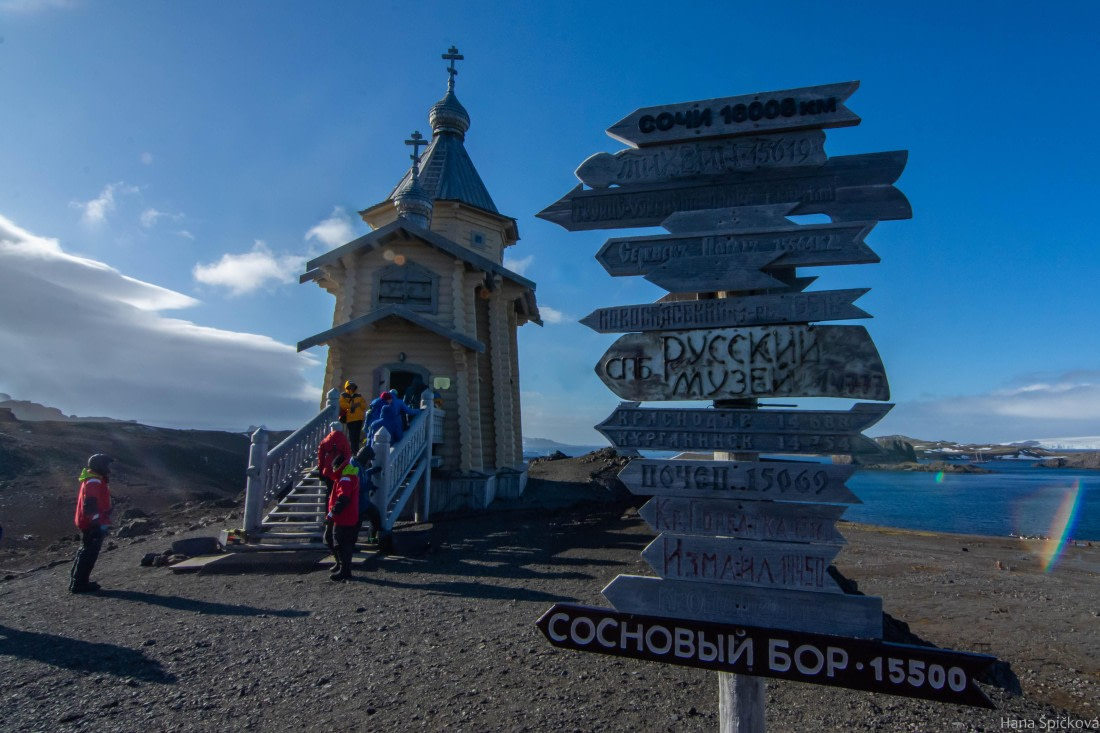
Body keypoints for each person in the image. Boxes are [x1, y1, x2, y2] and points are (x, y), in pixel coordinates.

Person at [70, 454, 113, 593]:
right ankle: (80, 583)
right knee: (89, 552)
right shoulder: (94, 481)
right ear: (99, 465)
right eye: (106, 465)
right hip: (93, 523)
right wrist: (95, 522)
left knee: (85, 550)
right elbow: (90, 503)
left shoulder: (93, 479)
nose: (108, 468)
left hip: (90, 521)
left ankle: (77, 580)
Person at [323, 453, 360, 581]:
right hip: (350, 517)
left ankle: (344, 570)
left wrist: (332, 513)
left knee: (340, 544)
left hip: (343, 517)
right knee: (346, 544)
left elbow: (343, 498)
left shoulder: (344, 479)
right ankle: (344, 569)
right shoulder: (350, 475)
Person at [338, 380, 367, 451]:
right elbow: (342, 404)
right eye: (350, 386)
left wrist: (359, 404)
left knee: (356, 436)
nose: (351, 388)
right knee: (352, 436)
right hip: (350, 419)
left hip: (359, 418)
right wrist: (351, 406)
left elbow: (364, 406)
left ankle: (355, 451)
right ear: (347, 387)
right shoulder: (344, 395)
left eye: (353, 386)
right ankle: (353, 451)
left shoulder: (359, 396)